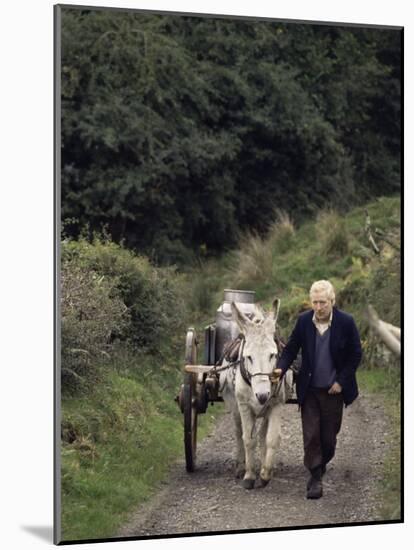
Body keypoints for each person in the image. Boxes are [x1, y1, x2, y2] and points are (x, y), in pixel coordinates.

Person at [276, 280, 362, 499]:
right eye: (315, 302)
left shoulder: (346, 322)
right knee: (311, 435)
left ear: (332, 301)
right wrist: (280, 369)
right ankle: (315, 477)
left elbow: (355, 355)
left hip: (334, 390)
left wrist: (341, 381)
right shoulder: (304, 321)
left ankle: (321, 463)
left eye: (323, 302)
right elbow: (291, 349)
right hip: (310, 389)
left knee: (329, 440)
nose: (319, 307)